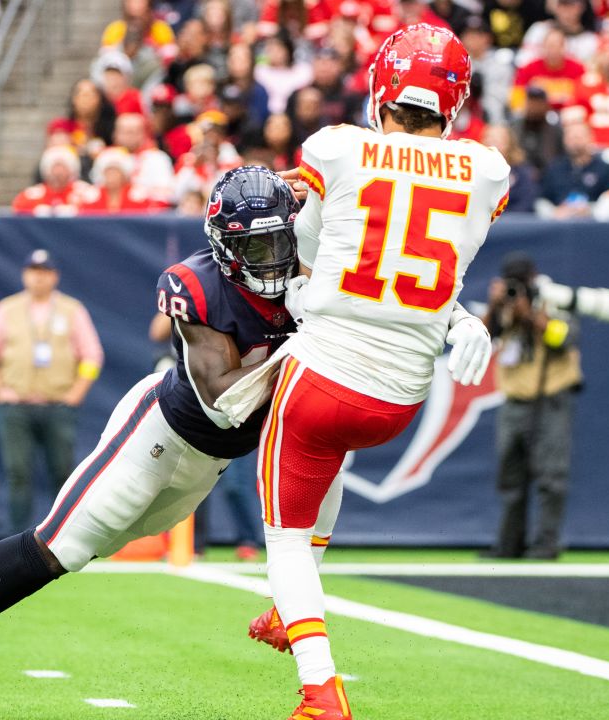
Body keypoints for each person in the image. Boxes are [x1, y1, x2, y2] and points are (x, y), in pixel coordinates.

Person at [0, 166, 301, 720]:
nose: (271, 258)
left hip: (211, 463)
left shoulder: (313, 268)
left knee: (80, 552)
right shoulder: (196, 284)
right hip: (161, 432)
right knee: (53, 546)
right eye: (254, 245)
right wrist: (313, 358)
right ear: (224, 246)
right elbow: (223, 399)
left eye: (280, 240)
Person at [214, 24, 501, 720]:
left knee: (281, 534)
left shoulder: (336, 147)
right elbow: (425, 269)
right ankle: (292, 613)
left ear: (383, 88)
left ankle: (320, 691)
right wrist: (464, 319)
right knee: (329, 464)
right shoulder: (487, 170)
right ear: (452, 102)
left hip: (325, 373)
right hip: (401, 393)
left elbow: (305, 242)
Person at [0, 250, 105, 533]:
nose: (38, 277)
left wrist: (77, 393)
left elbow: (92, 357)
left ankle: (64, 534)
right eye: (33, 271)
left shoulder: (72, 310)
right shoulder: (7, 309)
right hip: (17, 404)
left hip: (57, 404)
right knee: (18, 472)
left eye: (44, 271)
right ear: (24, 275)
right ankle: (16, 536)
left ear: (54, 276)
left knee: (63, 472)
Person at [480, 253, 581, 560]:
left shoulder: (554, 299)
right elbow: (485, 336)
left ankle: (546, 543)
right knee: (510, 475)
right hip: (514, 400)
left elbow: (566, 338)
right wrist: (496, 305)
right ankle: (509, 543)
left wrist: (532, 316)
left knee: (551, 475)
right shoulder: (506, 305)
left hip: (550, 399)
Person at [537, 121, 609, 218]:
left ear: (590, 138)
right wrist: (553, 212)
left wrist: (592, 209)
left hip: (593, 224)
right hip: (560, 224)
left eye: (578, 137)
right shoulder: (555, 168)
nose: (575, 141)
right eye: (570, 137)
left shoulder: (604, 168)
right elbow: (541, 199)